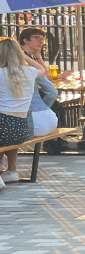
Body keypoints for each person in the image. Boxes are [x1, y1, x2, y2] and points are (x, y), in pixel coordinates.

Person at [0, 38, 38, 185]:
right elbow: (43, 69)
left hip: (4, 127)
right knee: (6, 134)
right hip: (22, 129)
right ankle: (12, 171)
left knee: (3, 127)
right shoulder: (30, 72)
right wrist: (25, 56)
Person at [18, 28, 57, 108]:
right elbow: (44, 76)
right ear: (25, 40)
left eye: (43, 39)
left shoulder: (30, 55)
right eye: (37, 38)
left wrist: (38, 56)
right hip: (23, 100)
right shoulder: (19, 57)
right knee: (54, 103)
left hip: (28, 99)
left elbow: (46, 77)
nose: (41, 41)